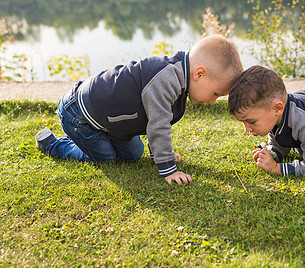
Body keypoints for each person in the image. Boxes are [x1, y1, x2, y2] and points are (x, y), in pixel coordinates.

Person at [35, 35, 243, 185]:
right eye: (216, 93)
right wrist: (167, 168)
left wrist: (161, 152)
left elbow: (155, 117)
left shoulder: (181, 79)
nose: (214, 100)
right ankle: (54, 144)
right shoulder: (167, 79)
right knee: (105, 158)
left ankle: (87, 137)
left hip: (109, 121)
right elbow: (158, 125)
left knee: (134, 154)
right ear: (199, 74)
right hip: (79, 112)